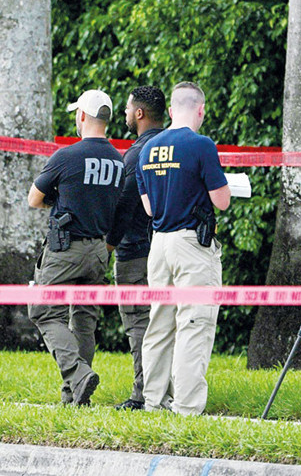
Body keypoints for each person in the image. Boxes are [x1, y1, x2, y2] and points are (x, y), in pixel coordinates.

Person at [136, 81, 231, 415]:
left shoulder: (147, 148)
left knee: (159, 326)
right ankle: (188, 408)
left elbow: (149, 208)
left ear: (172, 111)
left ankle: (153, 401)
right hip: (191, 244)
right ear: (200, 110)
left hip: (159, 245)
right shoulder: (201, 145)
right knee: (194, 323)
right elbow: (222, 201)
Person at [27, 89, 124, 406]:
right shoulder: (119, 161)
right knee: (84, 319)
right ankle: (74, 397)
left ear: (82, 116)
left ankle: (78, 375)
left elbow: (34, 199)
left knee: (44, 312)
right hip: (98, 250)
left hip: (65, 249)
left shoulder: (66, 156)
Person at [105, 86, 166, 410]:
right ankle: (168, 392)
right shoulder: (174, 148)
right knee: (167, 324)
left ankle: (142, 395)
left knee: (138, 324)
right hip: (169, 249)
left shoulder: (135, 155)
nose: (126, 115)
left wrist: (109, 245)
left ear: (139, 113)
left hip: (135, 252)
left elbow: (125, 207)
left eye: (128, 109)